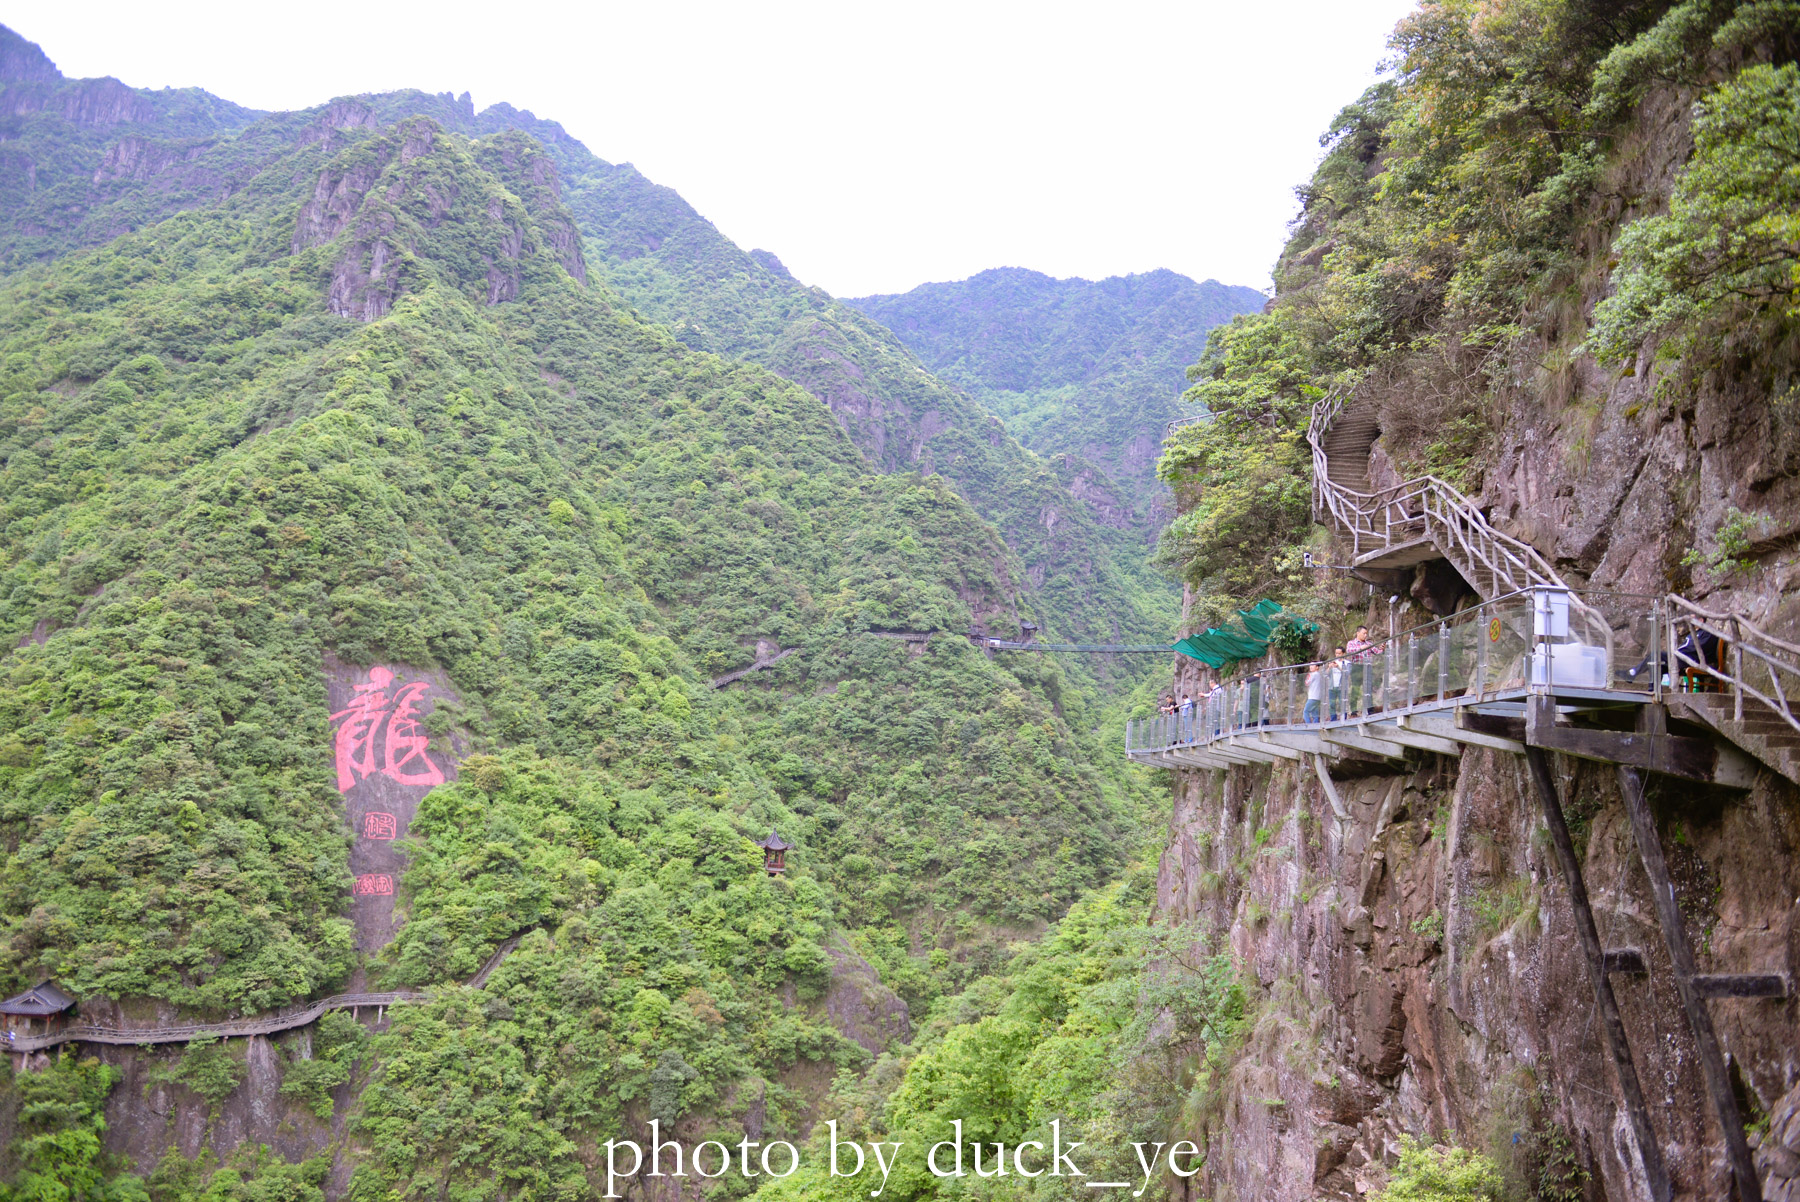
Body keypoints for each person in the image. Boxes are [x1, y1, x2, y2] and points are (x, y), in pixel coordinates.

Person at [1304, 659, 1327, 723]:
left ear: (1317, 667)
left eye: (1313, 665)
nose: (1310, 667)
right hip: (1318, 697)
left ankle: (1308, 725)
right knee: (1315, 713)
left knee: (1306, 711)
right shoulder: (1319, 675)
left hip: (1312, 697)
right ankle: (1315, 725)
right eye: (1310, 665)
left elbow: (1307, 683)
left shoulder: (1313, 674)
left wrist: (1308, 676)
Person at [1327, 647, 1346, 719]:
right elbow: (1326, 674)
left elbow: (1347, 673)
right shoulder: (1332, 661)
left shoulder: (1346, 662)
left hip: (1341, 686)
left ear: (1343, 654)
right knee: (1332, 704)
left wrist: (1338, 666)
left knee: (1342, 703)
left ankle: (1343, 718)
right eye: (1336, 653)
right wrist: (1329, 667)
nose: (1337, 655)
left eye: (1339, 653)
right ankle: (1333, 719)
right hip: (1332, 687)